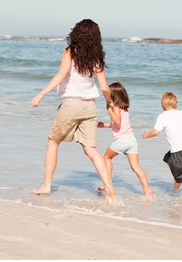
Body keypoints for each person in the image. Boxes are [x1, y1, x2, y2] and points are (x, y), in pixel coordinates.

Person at [30, 19, 116, 199]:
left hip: (71, 105)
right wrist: (112, 104)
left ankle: (47, 185)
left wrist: (40, 94)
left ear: (77, 33)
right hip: (89, 107)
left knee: (53, 142)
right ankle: (110, 189)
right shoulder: (97, 57)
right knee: (91, 149)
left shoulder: (70, 52)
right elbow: (105, 87)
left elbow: (60, 76)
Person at [97, 82, 153, 198]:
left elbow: (117, 121)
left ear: (114, 95)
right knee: (136, 167)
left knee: (106, 158)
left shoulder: (116, 106)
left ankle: (107, 184)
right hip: (132, 141)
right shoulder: (124, 109)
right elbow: (118, 125)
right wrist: (104, 125)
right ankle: (147, 190)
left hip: (121, 141)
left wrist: (109, 111)